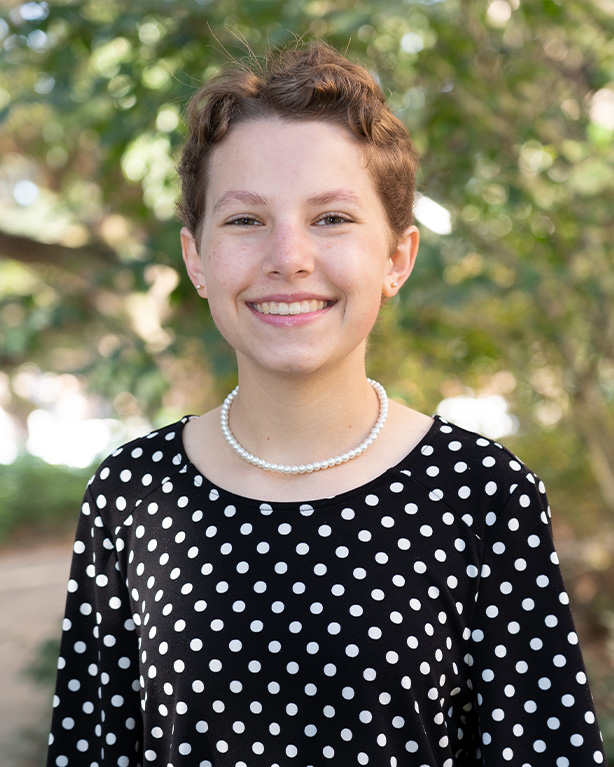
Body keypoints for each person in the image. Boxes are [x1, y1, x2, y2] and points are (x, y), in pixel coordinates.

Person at [47, 42, 606, 767]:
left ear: (397, 259)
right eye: (246, 220)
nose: (289, 256)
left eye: (332, 218)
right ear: (196, 258)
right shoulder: (130, 494)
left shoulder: (484, 496)